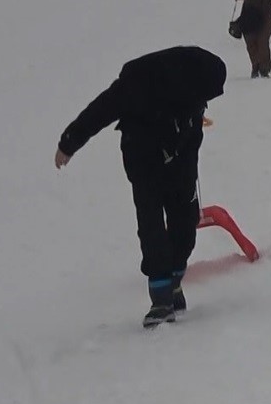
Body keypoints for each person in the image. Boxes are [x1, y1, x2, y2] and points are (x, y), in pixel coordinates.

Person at [54, 46, 227, 328]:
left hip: (181, 163)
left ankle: (172, 283)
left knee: (185, 224)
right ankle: (160, 299)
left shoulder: (191, 94)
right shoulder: (138, 82)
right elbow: (100, 111)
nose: (205, 102)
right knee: (152, 227)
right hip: (143, 158)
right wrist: (68, 143)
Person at [231, 0, 271, 76]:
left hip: (265, 15)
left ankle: (264, 68)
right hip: (249, 14)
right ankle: (255, 66)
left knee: (262, 42)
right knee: (250, 42)